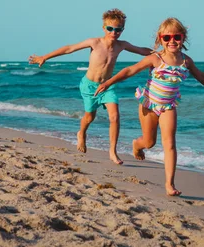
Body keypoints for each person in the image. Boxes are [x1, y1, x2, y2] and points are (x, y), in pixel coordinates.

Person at [94, 17, 204, 195]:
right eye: (167, 38)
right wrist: (108, 82)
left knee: (170, 144)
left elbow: (201, 76)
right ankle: (137, 144)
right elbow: (130, 70)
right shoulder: (155, 59)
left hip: (168, 107)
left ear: (183, 38)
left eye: (177, 37)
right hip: (148, 105)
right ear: (160, 39)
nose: (172, 41)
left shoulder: (186, 61)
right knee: (149, 143)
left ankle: (169, 184)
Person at [28, 8, 152, 165]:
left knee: (114, 117)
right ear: (104, 28)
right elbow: (69, 49)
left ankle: (113, 151)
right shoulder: (94, 42)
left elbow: (142, 51)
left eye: (118, 29)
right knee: (89, 117)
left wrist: (162, 52)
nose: (114, 32)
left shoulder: (122, 45)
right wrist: (44, 57)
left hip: (108, 86)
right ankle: (81, 133)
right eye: (110, 29)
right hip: (89, 86)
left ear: (122, 29)